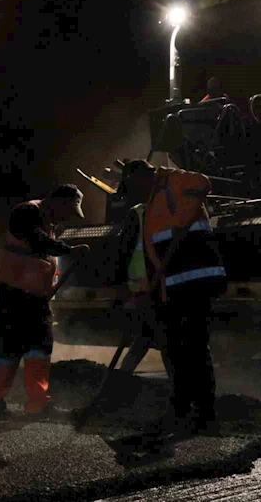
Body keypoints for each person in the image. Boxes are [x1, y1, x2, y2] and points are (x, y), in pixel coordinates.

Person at [120, 159, 227, 436]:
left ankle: (204, 416)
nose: (133, 193)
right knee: (176, 351)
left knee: (194, 351)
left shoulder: (173, 183)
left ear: (144, 177)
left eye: (133, 186)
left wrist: (168, 176)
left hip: (197, 283)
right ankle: (181, 412)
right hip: (174, 287)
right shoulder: (152, 204)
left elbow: (204, 181)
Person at [0, 185, 89, 419]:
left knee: (40, 348)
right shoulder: (28, 212)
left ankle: (37, 403)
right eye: (69, 210)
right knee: (10, 348)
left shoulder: (51, 226)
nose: (69, 217)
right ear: (57, 201)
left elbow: (45, 259)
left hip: (35, 299)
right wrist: (69, 251)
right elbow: (37, 241)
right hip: (11, 294)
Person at [115, 160, 172, 377]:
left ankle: (122, 377)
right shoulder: (167, 208)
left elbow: (124, 252)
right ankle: (122, 377)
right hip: (157, 287)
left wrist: (122, 287)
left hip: (150, 288)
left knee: (152, 335)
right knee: (152, 335)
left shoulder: (138, 213)